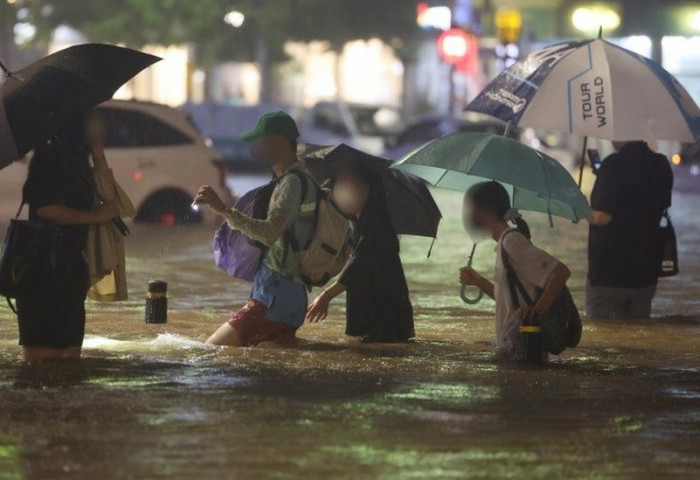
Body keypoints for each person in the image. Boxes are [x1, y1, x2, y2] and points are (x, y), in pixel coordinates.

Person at [195, 112, 312, 347]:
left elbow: (270, 233)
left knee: (210, 351)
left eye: (261, 141)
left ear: (278, 143)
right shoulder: (295, 178)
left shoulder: (291, 183)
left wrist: (224, 211)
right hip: (285, 297)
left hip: (273, 299)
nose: (256, 147)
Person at [17, 110, 120, 362]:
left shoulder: (80, 162)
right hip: (42, 268)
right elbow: (46, 209)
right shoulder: (50, 157)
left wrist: (98, 153)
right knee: (41, 357)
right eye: (91, 121)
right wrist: (95, 217)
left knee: (70, 354)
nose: (99, 126)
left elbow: (113, 201)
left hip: (70, 266)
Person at [458, 182, 571, 359]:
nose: (468, 215)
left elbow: (561, 272)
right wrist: (479, 282)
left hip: (525, 348)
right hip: (514, 348)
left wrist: (536, 312)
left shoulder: (512, 242)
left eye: (471, 208)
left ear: (485, 210)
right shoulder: (504, 244)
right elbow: (509, 301)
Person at [305, 164, 414, 343]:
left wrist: (325, 296)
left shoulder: (375, 224)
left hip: (383, 320)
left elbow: (357, 265)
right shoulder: (364, 221)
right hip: (382, 318)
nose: (344, 192)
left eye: (351, 185)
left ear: (367, 189)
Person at [586, 141, 673, 320]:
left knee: (605, 339)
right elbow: (660, 205)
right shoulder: (661, 164)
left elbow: (602, 217)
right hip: (646, 271)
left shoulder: (612, 165)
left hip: (609, 272)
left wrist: (580, 209)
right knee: (639, 336)